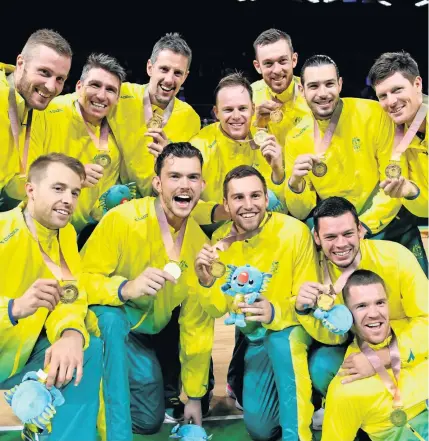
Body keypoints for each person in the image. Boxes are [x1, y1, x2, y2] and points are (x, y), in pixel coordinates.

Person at [194, 165, 345, 441]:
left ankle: (296, 434)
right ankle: (302, 395)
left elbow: (308, 303)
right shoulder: (219, 242)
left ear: (266, 198)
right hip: (255, 339)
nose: (248, 205)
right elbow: (217, 308)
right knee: (261, 429)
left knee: (283, 341)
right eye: (238, 198)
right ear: (226, 204)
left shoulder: (295, 232)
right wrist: (205, 283)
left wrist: (274, 310)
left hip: (295, 329)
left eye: (255, 196)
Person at [80, 142, 214, 441]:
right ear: (157, 183)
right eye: (174, 176)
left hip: (142, 338)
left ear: (202, 185)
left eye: (193, 177)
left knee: (148, 421)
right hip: (105, 324)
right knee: (110, 321)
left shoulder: (199, 245)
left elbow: (196, 326)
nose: (185, 185)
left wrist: (193, 395)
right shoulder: (122, 219)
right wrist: (124, 288)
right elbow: (80, 282)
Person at [284, 54, 427, 273]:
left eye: (329, 84)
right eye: (313, 86)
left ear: (340, 84)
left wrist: (363, 226)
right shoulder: (295, 138)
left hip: (385, 225)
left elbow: (392, 181)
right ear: (302, 90)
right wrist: (295, 184)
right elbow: (301, 209)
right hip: (338, 237)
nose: (322, 93)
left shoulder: (375, 113)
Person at [0, 153, 102, 441]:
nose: (68, 200)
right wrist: (12, 308)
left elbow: (70, 293)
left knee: (87, 348)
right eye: (58, 189)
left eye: (74, 192)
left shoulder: (65, 233)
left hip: (23, 355)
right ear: (30, 189)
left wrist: (70, 333)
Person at [294, 197, 428, 405]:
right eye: (330, 237)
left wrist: (382, 358)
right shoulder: (315, 273)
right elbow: (334, 337)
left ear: (360, 230)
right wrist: (304, 311)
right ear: (316, 237)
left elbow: (426, 321)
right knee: (322, 366)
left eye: (347, 234)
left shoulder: (397, 257)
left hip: (409, 348)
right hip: (359, 349)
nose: (341, 244)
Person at [321, 270, 428, 441]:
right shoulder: (346, 386)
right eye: (361, 306)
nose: (373, 313)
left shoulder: (419, 335)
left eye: (380, 303)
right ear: (347, 315)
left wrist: (383, 358)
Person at [29, 53, 126, 234]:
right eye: (95, 85)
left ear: (118, 98)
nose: (101, 95)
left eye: (111, 90)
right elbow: (27, 173)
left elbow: (99, 203)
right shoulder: (48, 112)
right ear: (79, 86)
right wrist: (70, 175)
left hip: (77, 236)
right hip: (37, 228)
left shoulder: (116, 138)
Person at [108, 32, 200, 199]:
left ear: (185, 76)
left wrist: (170, 158)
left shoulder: (190, 118)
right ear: (150, 67)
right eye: (164, 69)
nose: (169, 79)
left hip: (163, 205)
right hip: (119, 201)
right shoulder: (121, 95)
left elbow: (189, 170)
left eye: (178, 73)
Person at [190, 72, 286, 226]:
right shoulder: (198, 147)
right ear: (216, 113)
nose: (236, 116)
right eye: (228, 110)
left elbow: (280, 207)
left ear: (253, 109)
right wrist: (223, 211)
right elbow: (184, 201)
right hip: (213, 231)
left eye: (242, 108)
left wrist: (278, 172)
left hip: (260, 227)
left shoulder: (267, 141)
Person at [0, 29, 72, 206]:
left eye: (60, 79)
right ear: (20, 63)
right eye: (44, 72)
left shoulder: (34, 108)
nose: (50, 86)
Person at [368, 51, 428, 219]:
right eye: (383, 96)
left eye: (397, 90)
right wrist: (412, 193)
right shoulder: (398, 134)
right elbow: (425, 209)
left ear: (417, 84)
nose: (391, 102)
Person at [251, 28, 311, 147]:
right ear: (257, 66)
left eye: (282, 61)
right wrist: (258, 125)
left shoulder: (312, 93)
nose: (277, 70)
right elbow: (247, 148)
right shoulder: (249, 97)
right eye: (268, 63)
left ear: (294, 60)